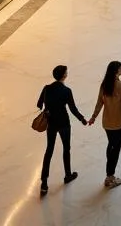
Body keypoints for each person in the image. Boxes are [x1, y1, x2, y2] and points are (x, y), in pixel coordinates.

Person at [36, 64, 87, 196]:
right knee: (66, 149)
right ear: (64, 76)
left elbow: (39, 104)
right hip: (64, 124)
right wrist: (82, 119)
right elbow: (73, 109)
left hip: (51, 124)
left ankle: (44, 183)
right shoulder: (66, 91)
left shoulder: (46, 88)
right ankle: (67, 175)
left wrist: (48, 107)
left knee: (49, 151)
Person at [88, 60, 121, 189]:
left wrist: (93, 117)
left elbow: (99, 103)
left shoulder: (104, 85)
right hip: (119, 123)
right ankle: (110, 177)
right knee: (115, 149)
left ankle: (109, 173)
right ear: (117, 71)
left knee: (111, 145)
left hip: (107, 123)